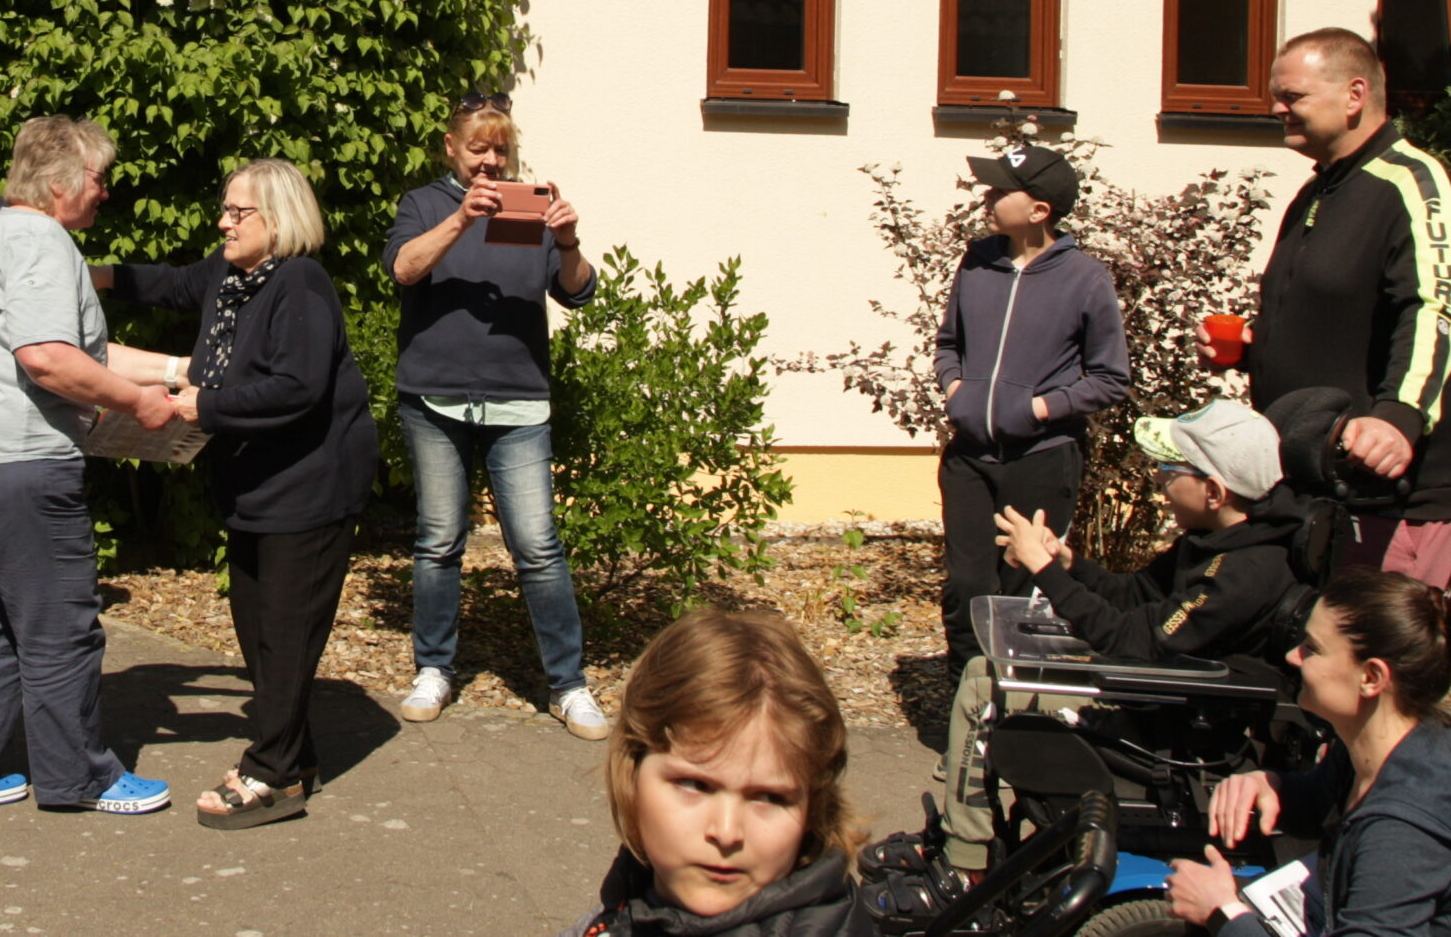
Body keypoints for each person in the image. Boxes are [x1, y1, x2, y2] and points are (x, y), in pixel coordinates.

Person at [0, 115, 181, 817]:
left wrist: (178, 374)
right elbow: (48, 358)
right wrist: (137, 404)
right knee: (59, 621)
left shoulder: (1, 234)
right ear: (61, 183)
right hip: (9, 459)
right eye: (98, 177)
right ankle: (79, 777)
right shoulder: (42, 242)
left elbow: (84, 352)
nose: (104, 191)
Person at [98, 158, 379, 828]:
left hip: (310, 486)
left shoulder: (300, 283)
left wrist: (205, 405)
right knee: (258, 630)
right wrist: (86, 273)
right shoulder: (229, 275)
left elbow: (298, 387)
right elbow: (165, 283)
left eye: (237, 212)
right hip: (255, 485)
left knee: (285, 630)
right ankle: (297, 757)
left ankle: (272, 774)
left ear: (276, 219)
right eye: (224, 209)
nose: (223, 222)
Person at [918, 399, 1304, 876]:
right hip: (1161, 690)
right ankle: (977, 845)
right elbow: (1136, 593)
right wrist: (1067, 565)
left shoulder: (1245, 571)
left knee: (984, 686)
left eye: (1170, 469)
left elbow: (1131, 640)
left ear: (1213, 491)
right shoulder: (1217, 540)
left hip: (1177, 721)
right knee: (988, 670)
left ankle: (966, 863)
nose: (1159, 480)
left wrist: (1041, 571)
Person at [1226, 27, 1451, 585]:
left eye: (1292, 96)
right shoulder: (1319, 192)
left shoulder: (1412, 182)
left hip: (1391, 495)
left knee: (1364, 641)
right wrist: (1252, 349)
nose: (1277, 109)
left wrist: (1397, 419)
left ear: (1354, 95)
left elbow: (1434, 311)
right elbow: (1335, 313)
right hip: (1316, 482)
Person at [384, 92, 606, 740]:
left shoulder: (529, 205)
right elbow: (403, 269)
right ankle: (434, 668)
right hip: (435, 397)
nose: (489, 160)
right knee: (439, 541)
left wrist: (567, 239)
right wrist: (461, 218)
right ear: (451, 147)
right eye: (477, 148)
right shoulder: (423, 204)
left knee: (537, 546)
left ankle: (568, 684)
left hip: (519, 400)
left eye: (499, 149)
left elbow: (577, 289)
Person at [1170, 568, 1451, 937]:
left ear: (1371, 678)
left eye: (1313, 648)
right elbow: (1322, 798)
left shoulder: (1403, 829)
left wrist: (1222, 913)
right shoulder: (1387, 745)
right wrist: (1270, 785)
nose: (1292, 656)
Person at [562, 607, 873, 937]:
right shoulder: (627, 906)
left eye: (770, 797)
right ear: (632, 772)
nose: (726, 833)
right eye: (695, 785)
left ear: (813, 807)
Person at [934, 145, 1128, 666]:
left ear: (1039, 209)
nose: (987, 197)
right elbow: (948, 343)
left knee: (1022, 586)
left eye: (1001, 190)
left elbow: (1110, 378)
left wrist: (1038, 409)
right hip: (970, 456)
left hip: (1041, 460)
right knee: (967, 584)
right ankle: (968, 691)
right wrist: (956, 389)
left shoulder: (1085, 278)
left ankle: (1014, 698)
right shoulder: (977, 262)